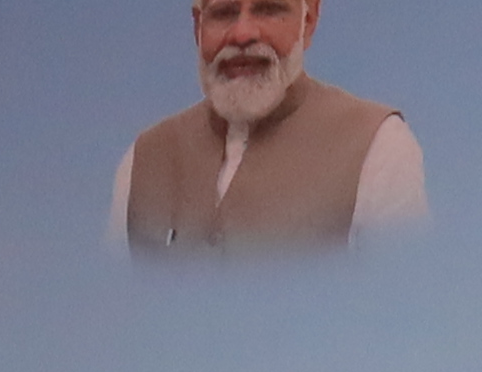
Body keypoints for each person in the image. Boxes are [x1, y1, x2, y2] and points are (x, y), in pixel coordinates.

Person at [113, 0, 425, 255]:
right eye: (224, 13)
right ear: (198, 27)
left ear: (308, 21)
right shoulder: (144, 160)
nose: (242, 35)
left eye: (269, 10)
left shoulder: (379, 146)